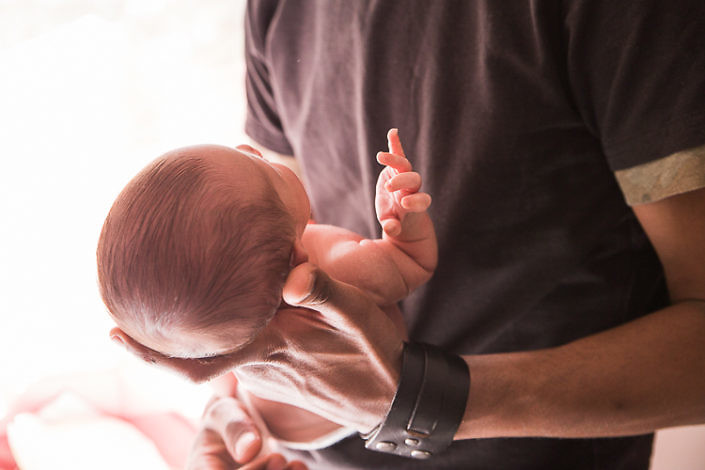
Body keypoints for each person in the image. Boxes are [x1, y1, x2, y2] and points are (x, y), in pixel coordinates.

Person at [113, 1, 705, 469]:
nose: (251, 152)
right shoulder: (279, 9)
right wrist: (234, 407)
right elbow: (252, 270)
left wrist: (416, 399)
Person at [100, 131, 433, 456]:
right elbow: (411, 264)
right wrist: (402, 220)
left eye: (243, 153)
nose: (250, 148)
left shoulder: (237, 306)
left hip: (271, 418)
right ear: (293, 257)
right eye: (268, 172)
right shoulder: (338, 265)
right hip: (352, 423)